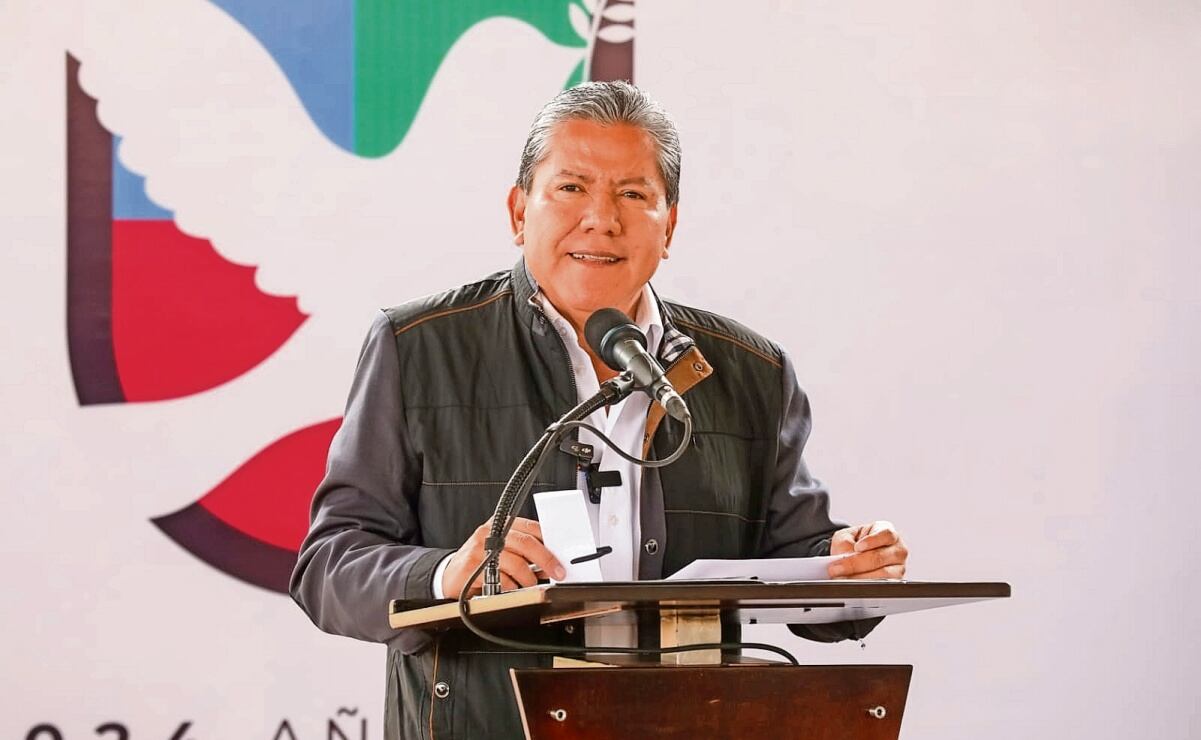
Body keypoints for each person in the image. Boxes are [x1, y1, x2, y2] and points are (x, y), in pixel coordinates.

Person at [291, 80, 909, 739]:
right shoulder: (420, 347)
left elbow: (800, 558)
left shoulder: (752, 372)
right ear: (518, 211)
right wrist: (445, 575)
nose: (600, 219)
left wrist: (852, 566)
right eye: (571, 187)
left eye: (633, 195)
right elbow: (330, 565)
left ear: (669, 225)